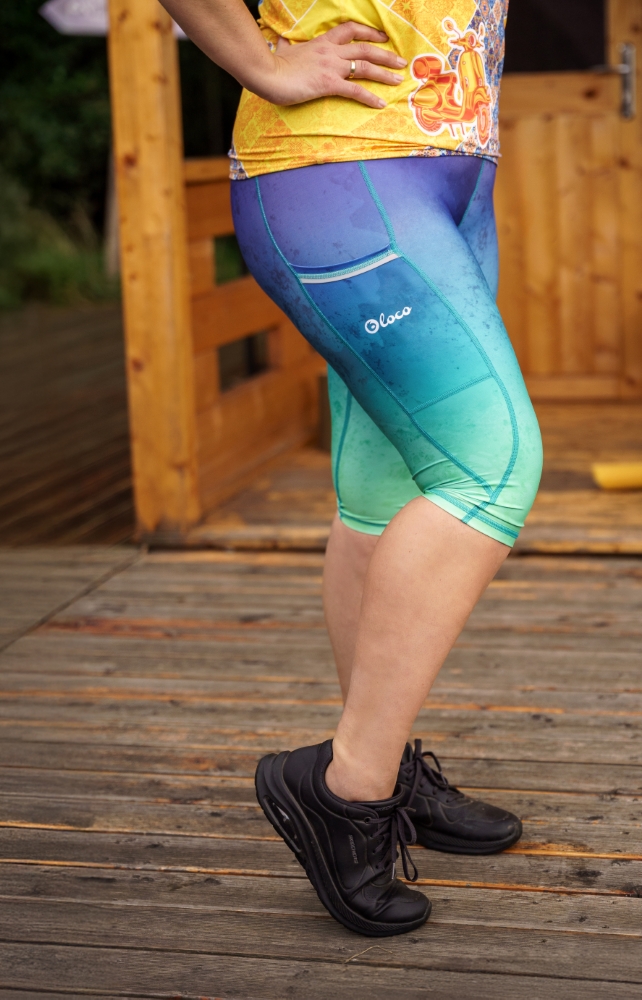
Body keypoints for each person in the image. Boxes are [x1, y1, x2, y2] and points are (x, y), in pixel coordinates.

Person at [160, 0, 542, 937]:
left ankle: (384, 760)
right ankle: (347, 789)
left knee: (384, 491)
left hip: (449, 174)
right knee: (489, 466)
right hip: (337, 167)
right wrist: (262, 63)